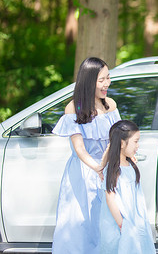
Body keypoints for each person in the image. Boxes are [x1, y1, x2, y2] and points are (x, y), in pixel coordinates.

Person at [52, 57, 121, 253]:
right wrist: (97, 167)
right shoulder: (74, 108)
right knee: (79, 225)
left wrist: (110, 166)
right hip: (83, 173)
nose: (107, 83)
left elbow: (117, 140)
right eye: (102, 80)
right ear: (89, 80)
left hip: (106, 170)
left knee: (106, 225)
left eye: (108, 78)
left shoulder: (111, 105)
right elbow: (79, 149)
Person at [99, 120, 156, 254]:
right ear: (122, 143)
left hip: (134, 220)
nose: (138, 146)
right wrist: (122, 225)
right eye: (135, 141)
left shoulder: (130, 165)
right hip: (120, 223)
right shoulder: (114, 169)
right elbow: (110, 199)